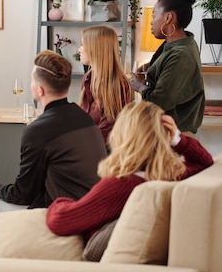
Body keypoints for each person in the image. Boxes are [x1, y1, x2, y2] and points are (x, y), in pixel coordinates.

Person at [0, 50, 107, 256]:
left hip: (63, 215)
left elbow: (24, 194)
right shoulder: (83, 118)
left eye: (32, 79)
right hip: (89, 210)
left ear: (39, 90)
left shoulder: (38, 130)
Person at [45, 101, 213, 257]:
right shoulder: (170, 176)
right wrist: (178, 139)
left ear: (124, 137)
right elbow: (204, 163)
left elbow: (61, 221)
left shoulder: (120, 185)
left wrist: (60, 202)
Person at [130, 0, 205, 133]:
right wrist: (152, 66)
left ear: (168, 17)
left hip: (174, 137)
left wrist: (139, 86)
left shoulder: (180, 54)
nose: (151, 22)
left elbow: (159, 101)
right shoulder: (179, 45)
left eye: (154, 15)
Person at [78, 25, 132, 144]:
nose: (79, 49)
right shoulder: (88, 78)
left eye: (82, 44)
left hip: (104, 153)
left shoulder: (119, 85)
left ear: (95, 48)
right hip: (86, 148)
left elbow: (108, 131)